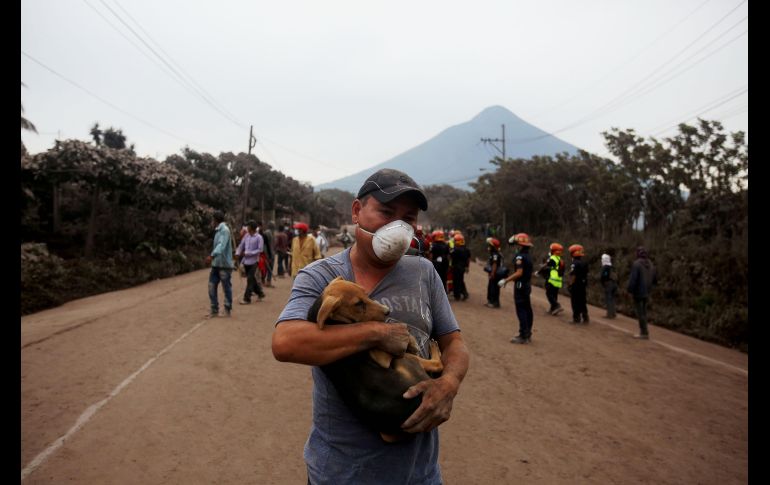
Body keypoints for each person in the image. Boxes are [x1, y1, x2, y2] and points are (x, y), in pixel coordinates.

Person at [272, 167, 470, 484]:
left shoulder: (424, 272)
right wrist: (377, 333)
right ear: (357, 211)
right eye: (386, 212)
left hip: (419, 473)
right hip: (341, 474)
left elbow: (454, 344)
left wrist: (449, 384)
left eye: (408, 218)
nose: (397, 226)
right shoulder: (322, 277)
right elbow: (285, 342)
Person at [498, 233, 535, 344]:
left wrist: (506, 280)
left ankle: (523, 335)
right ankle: (528, 333)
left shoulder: (520, 257)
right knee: (527, 309)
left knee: (521, 310)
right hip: (527, 285)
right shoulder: (528, 256)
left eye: (515, 245)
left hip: (520, 286)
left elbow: (519, 272)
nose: (514, 247)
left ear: (519, 245)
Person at [206, 210, 235, 318]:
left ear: (216, 220)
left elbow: (221, 246)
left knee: (226, 286)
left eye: (213, 219)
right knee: (211, 286)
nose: (212, 222)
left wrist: (212, 255)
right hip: (216, 264)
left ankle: (227, 308)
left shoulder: (224, 230)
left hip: (224, 265)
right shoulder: (218, 230)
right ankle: (214, 309)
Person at [627, 246, 657, 339]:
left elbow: (633, 279)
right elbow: (655, 280)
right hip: (647, 292)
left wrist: (629, 290)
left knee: (640, 313)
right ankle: (645, 331)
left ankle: (644, 332)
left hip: (638, 292)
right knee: (644, 312)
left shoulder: (637, 264)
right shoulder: (651, 265)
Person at [235, 220, 266, 304]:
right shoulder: (246, 236)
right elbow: (241, 245)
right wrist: (237, 253)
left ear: (252, 228)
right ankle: (260, 293)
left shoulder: (259, 237)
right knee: (252, 279)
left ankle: (247, 298)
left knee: (249, 279)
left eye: (248, 226)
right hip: (246, 261)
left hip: (254, 261)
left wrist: (249, 253)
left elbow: (260, 249)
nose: (246, 228)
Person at [539, 243, 565, 315]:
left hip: (552, 279)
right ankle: (553, 309)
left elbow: (545, 266)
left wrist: (539, 271)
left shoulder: (552, 258)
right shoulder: (560, 259)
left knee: (548, 293)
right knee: (554, 294)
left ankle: (557, 305)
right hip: (558, 280)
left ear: (553, 251)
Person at [567, 244, 589, 324]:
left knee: (575, 302)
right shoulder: (584, 263)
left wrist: (570, 284)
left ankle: (576, 318)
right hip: (583, 284)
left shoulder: (574, 263)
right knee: (582, 301)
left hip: (576, 285)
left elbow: (573, 275)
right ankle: (585, 317)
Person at [449, 233, 470, 301]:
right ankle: (464, 294)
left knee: (456, 281)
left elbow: (450, 256)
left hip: (456, 267)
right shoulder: (466, 249)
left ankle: (457, 295)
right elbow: (468, 259)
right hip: (462, 267)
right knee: (461, 280)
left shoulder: (455, 249)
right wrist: (467, 267)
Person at [484, 237, 503, 308]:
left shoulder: (495, 254)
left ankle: (494, 302)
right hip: (495, 273)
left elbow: (495, 264)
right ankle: (491, 301)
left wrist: (492, 273)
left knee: (494, 288)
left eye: (490, 245)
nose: (489, 247)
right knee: (491, 287)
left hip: (496, 274)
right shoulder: (495, 253)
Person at [600, 253, 618, 318]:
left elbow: (603, 276)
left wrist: (603, 283)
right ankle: (613, 313)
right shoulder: (612, 267)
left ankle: (609, 314)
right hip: (615, 283)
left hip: (609, 284)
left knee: (608, 299)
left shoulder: (605, 267)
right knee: (612, 299)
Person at [262, 221, 275, 287]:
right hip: (268, 253)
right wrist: (266, 254)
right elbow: (264, 245)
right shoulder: (267, 233)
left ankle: (268, 281)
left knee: (270, 268)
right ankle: (264, 281)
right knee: (266, 268)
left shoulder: (272, 233)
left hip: (271, 253)